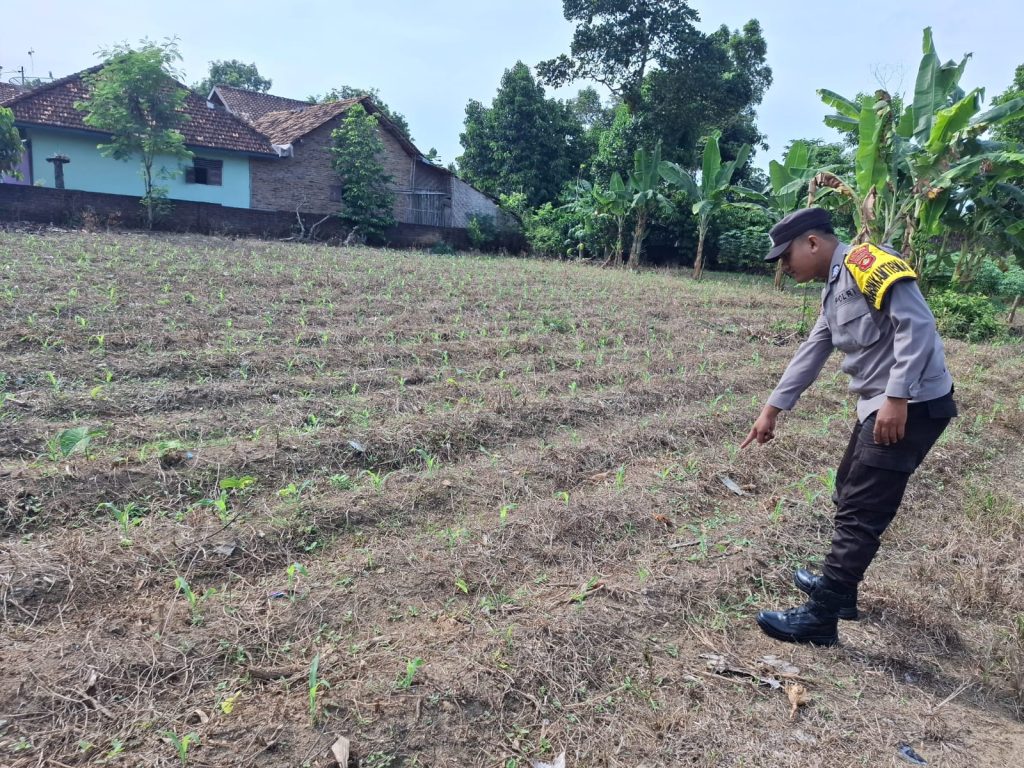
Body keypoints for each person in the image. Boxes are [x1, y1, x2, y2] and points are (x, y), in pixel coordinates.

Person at [741, 207, 957, 646]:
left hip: (909, 404)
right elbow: (812, 350)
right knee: (847, 489)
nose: (784, 266)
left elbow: (917, 324)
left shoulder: (866, 262)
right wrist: (772, 408)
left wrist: (898, 396)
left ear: (812, 243)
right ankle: (841, 591)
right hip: (879, 403)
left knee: (862, 509)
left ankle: (821, 618)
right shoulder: (832, 288)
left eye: (786, 256)